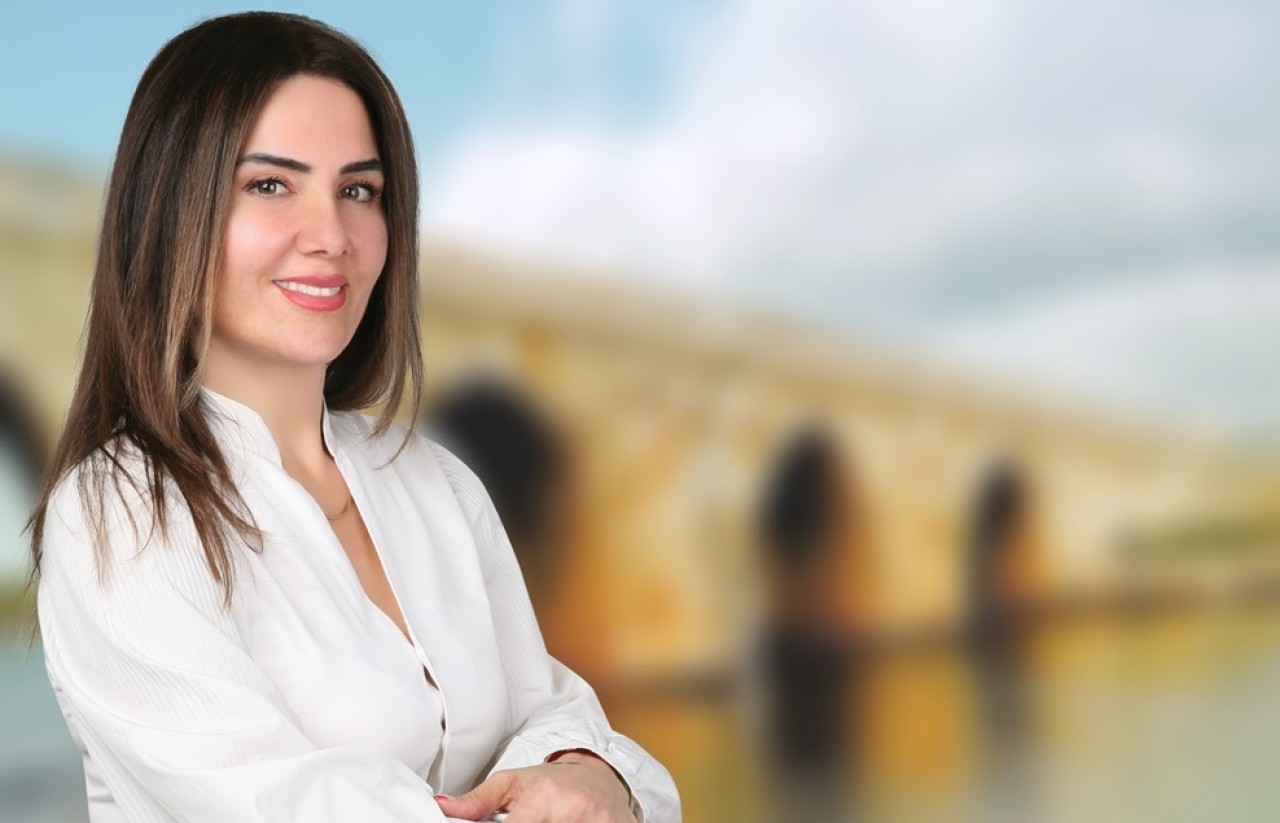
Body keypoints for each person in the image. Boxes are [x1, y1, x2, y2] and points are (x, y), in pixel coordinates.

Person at [28, 12, 680, 823]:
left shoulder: (436, 482)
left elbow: (556, 714)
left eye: (358, 191)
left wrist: (593, 773)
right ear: (168, 212)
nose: (331, 236)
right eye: (270, 185)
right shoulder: (121, 515)